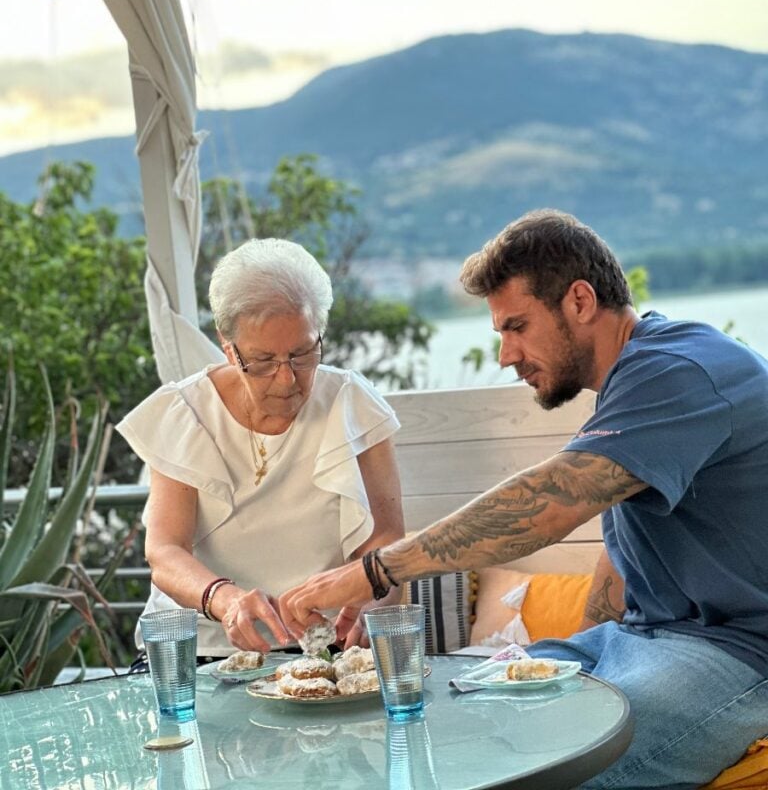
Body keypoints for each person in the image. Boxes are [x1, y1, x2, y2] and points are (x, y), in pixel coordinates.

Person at [279, 209, 768, 790]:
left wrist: (376, 570)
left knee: (543, 771)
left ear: (580, 301)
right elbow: (622, 545)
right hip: (636, 639)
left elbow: (550, 502)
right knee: (456, 708)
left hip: (738, 651)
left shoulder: (678, 372)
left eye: (517, 327)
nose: (507, 355)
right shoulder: (635, 380)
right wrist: (588, 652)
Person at [117, 238, 404, 661]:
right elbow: (165, 552)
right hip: (198, 648)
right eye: (264, 360)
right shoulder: (185, 413)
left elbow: (386, 537)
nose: (287, 380)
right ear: (228, 346)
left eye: (303, 353)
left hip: (323, 647)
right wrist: (228, 601)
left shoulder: (351, 403)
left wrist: (372, 601)